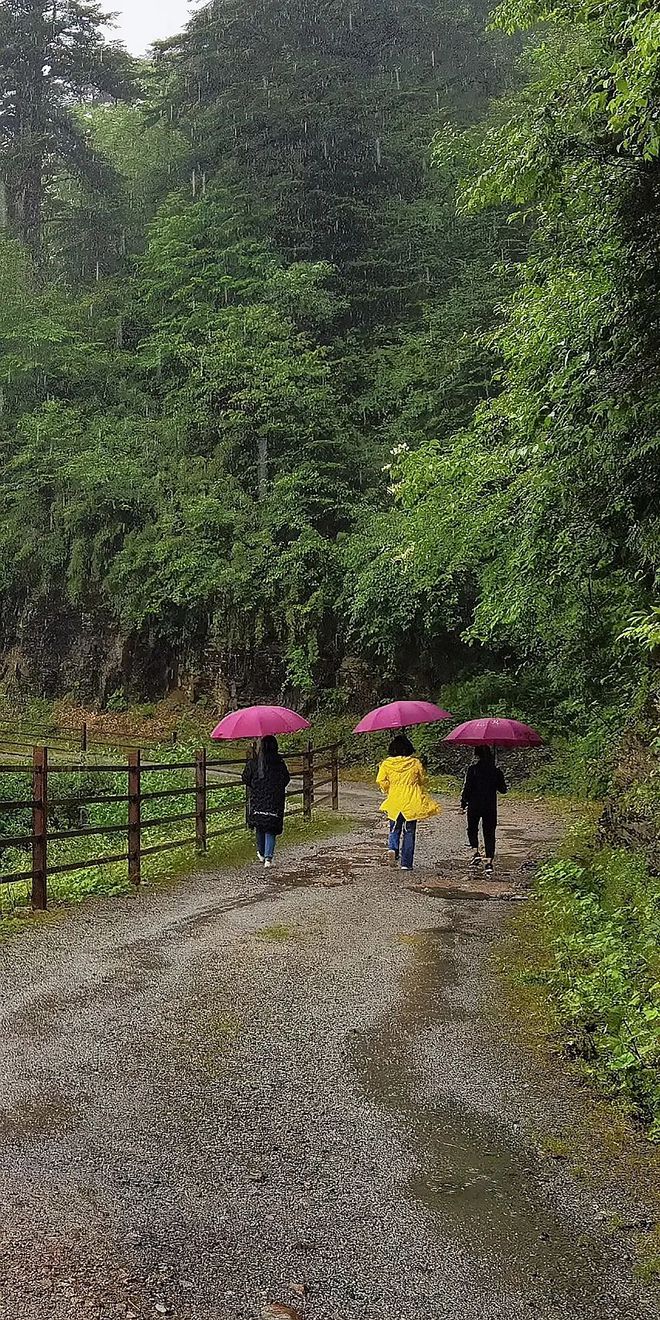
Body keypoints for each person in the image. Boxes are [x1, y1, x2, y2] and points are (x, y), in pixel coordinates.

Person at [376, 734, 439, 871]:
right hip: (411, 801)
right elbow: (422, 780)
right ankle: (406, 863)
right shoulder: (415, 763)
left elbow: (380, 781)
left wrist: (389, 788)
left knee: (394, 828)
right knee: (409, 831)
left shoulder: (387, 764)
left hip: (395, 800)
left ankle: (393, 849)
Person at [242, 735, 291, 868]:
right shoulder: (279, 763)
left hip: (258, 797)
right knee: (271, 826)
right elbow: (286, 778)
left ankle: (261, 853)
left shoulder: (254, 763)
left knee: (260, 824)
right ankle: (268, 858)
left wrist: (256, 785)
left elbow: (245, 778)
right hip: (274, 798)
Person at [460, 746, 508, 874]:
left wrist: (463, 802)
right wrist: (498, 776)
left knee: (472, 828)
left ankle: (475, 851)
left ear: (477, 755)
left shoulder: (473, 770)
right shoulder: (496, 771)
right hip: (490, 806)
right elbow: (503, 790)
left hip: (474, 805)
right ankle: (488, 862)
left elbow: (467, 788)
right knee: (489, 832)